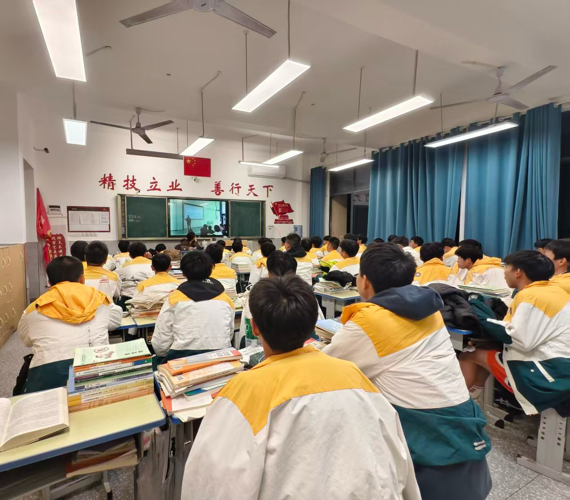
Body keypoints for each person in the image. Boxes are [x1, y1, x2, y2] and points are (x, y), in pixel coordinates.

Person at [182, 274, 421, 500]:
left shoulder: (244, 390)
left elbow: (210, 480)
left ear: (254, 327)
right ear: (313, 326)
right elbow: (397, 454)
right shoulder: (354, 375)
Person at [323, 243, 491, 500]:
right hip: (464, 432)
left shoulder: (370, 321)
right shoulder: (429, 309)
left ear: (364, 281)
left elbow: (327, 367)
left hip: (426, 448)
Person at [459, 251, 570, 416]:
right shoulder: (553, 290)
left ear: (518, 272)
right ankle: (473, 397)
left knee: (467, 355)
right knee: (485, 347)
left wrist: (482, 318)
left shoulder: (531, 296)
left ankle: (459, 405)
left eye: (506, 267)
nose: (503, 272)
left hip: (551, 373)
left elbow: (519, 340)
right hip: (559, 362)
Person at [18, 256, 122, 393]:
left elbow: (27, 341)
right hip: (98, 371)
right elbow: (115, 320)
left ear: (49, 282)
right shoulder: (101, 300)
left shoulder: (32, 310)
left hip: (48, 377)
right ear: (82, 279)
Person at [152, 251, 235, 363]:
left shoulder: (174, 298)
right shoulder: (225, 298)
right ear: (211, 270)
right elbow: (230, 331)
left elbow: (161, 341)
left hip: (182, 356)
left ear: (183, 273)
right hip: (221, 355)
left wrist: (164, 355)